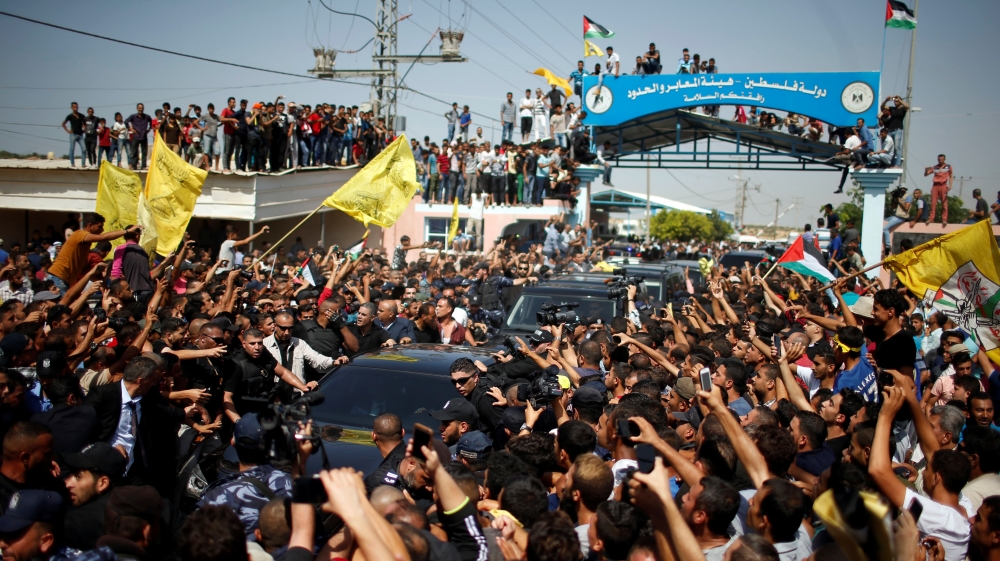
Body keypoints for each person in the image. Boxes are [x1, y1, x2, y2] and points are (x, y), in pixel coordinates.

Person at [46, 214, 140, 293]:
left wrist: (104, 287)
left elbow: (85, 271)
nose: (102, 230)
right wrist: (127, 231)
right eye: (100, 226)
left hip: (63, 279)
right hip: (58, 277)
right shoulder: (80, 234)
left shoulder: (85, 246)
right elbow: (104, 237)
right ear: (90, 225)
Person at [925, 154, 954, 226]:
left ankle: (944, 219)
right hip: (935, 186)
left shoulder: (948, 167)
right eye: (939, 160)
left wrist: (950, 185)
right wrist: (926, 170)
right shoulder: (934, 167)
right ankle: (931, 218)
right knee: (933, 203)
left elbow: (951, 176)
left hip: (943, 185)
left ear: (944, 159)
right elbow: (926, 174)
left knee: (944, 203)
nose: (940, 161)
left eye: (942, 160)